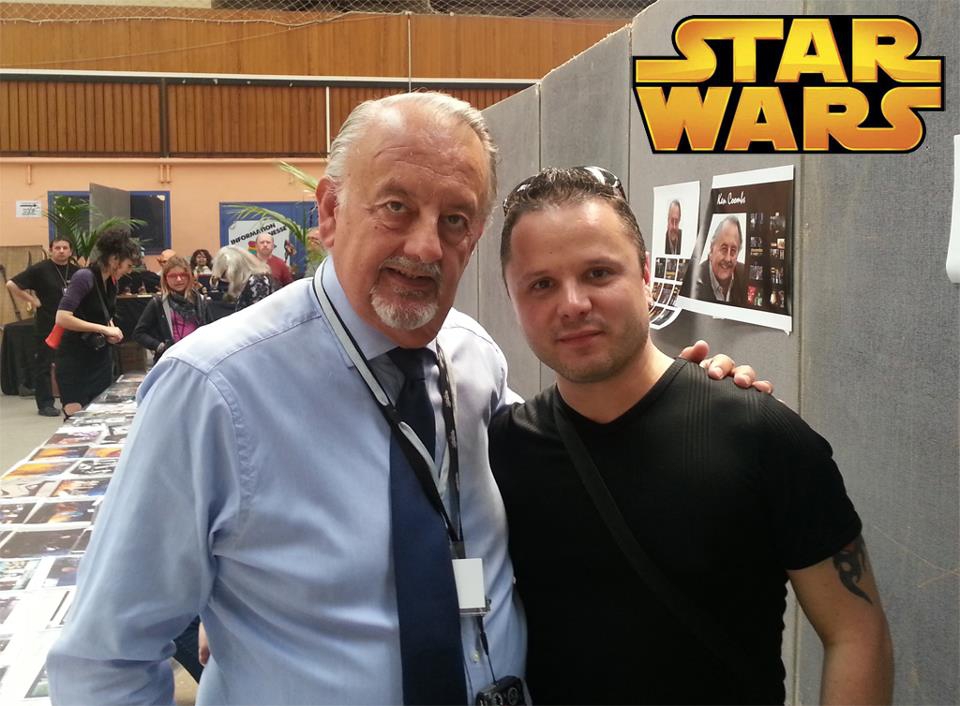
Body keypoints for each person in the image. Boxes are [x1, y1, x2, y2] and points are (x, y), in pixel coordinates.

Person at [47, 93, 764, 704]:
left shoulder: (474, 358)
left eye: (455, 219)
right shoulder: (214, 389)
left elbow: (572, 455)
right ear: (330, 211)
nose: (425, 247)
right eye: (396, 207)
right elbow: (104, 661)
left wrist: (683, 401)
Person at [490, 167, 894, 705]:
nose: (573, 304)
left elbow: (856, 633)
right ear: (513, 298)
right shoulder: (502, 453)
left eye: (598, 273)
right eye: (541, 284)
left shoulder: (761, 436)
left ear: (648, 276)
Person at [53, 230, 138, 418]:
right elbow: (62, 317)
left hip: (99, 357)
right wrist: (103, 329)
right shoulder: (84, 277)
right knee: (76, 416)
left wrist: (110, 331)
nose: (129, 271)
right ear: (115, 259)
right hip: (74, 357)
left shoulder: (111, 282)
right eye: (128, 265)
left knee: (99, 414)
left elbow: (105, 314)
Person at [6, 237, 80, 416]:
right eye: (57, 248)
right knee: (44, 364)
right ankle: (45, 404)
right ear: (51, 250)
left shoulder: (77, 272)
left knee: (71, 363)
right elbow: (11, 284)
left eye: (65, 248)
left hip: (72, 324)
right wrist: (33, 300)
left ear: (70, 251)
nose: (61, 251)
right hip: (47, 324)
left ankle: (72, 400)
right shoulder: (40, 269)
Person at [133, 256, 211, 363]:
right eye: (173, 276)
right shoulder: (158, 303)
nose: (179, 279)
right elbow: (139, 333)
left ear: (189, 276)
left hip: (198, 359)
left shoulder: (200, 301)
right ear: (165, 278)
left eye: (183, 275)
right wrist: (160, 346)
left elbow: (211, 330)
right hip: (170, 361)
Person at [694, 215, 747, 305]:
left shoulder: (745, 276)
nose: (728, 258)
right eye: (724, 249)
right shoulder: (694, 281)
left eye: (733, 251)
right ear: (711, 250)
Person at [209, 246, 273, 314]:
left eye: (224, 273)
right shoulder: (249, 281)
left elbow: (259, 315)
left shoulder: (257, 281)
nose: (225, 278)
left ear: (234, 269)